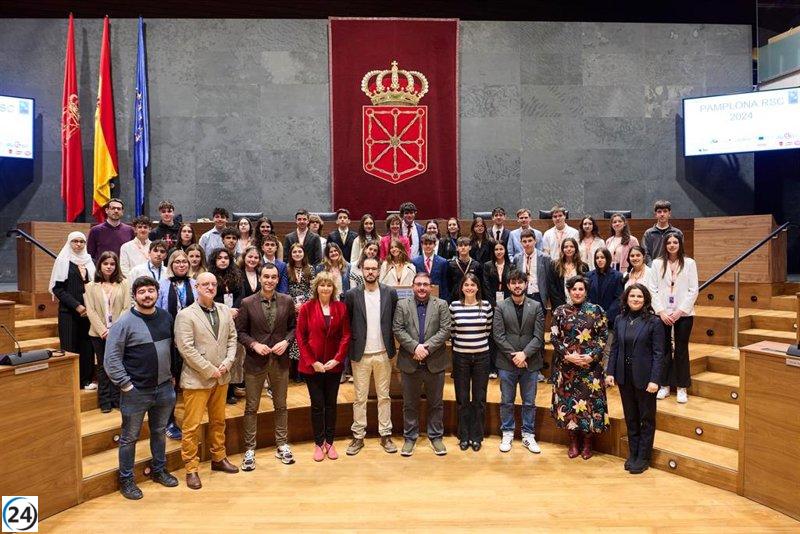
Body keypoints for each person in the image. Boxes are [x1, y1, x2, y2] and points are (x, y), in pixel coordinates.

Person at [103, 276, 179, 500]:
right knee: (129, 438)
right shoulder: (123, 322)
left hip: (164, 389)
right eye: (142, 291)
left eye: (151, 291)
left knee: (159, 432)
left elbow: (172, 350)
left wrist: (172, 376)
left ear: (157, 293)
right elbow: (111, 359)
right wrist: (126, 385)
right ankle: (126, 480)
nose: (147, 295)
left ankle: (159, 470)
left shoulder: (166, 317)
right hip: (135, 391)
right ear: (134, 296)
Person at [174, 272, 240, 489]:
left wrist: (228, 362)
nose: (210, 287)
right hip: (197, 379)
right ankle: (191, 468)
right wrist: (209, 369)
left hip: (221, 377)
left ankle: (218, 458)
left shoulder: (223, 310)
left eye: (213, 284)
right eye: (205, 284)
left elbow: (232, 339)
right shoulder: (186, 315)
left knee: (218, 421)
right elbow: (186, 348)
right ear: (196, 287)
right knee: (192, 426)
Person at [236, 262, 297, 469]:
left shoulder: (287, 301)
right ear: (260, 278)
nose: (269, 280)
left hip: (280, 360)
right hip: (255, 360)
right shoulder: (247, 302)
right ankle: (249, 449)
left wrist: (286, 341)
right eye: (266, 277)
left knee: (281, 405)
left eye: (273, 277)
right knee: (251, 406)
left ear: (277, 279)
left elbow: (293, 328)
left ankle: (282, 444)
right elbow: (240, 332)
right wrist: (253, 344)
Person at [605, 284, 665, 474]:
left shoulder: (654, 322)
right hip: (624, 377)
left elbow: (659, 353)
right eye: (633, 296)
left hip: (646, 379)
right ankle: (633, 454)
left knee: (646, 418)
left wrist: (655, 380)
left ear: (645, 299)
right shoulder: (620, 319)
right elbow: (614, 348)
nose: (636, 299)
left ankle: (643, 457)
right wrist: (610, 372)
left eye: (640, 296)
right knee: (631, 418)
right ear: (626, 298)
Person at [392, 272, 452, 457]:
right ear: (412, 286)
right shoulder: (402, 304)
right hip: (410, 362)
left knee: (436, 403)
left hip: (435, 361)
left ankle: (436, 437)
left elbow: (446, 330)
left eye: (425, 284)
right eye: (418, 284)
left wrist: (426, 348)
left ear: (431, 286)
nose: (422, 288)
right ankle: (410, 437)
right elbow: (398, 329)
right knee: (410, 404)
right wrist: (415, 348)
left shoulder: (441, 304)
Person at [343, 257, 399, 455]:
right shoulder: (351, 295)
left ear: (379, 271)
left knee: (384, 396)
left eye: (374, 269)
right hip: (361, 354)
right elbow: (347, 324)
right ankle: (358, 436)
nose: (370, 272)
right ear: (362, 270)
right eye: (367, 269)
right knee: (360, 398)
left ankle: (386, 434)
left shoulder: (390, 293)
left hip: (384, 353)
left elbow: (394, 321)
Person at [550, 276, 609, 460]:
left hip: (590, 368)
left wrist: (591, 356)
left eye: (581, 289)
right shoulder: (560, 311)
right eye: (574, 289)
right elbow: (554, 337)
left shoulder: (597, 311)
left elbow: (603, 336)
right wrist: (568, 355)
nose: (577, 292)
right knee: (569, 405)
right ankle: (573, 442)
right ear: (569, 291)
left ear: (586, 291)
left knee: (588, 406)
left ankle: (587, 444)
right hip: (567, 367)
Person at [296, 271, 352, 461]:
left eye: (329, 285)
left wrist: (337, 359)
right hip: (313, 367)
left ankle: (330, 441)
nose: (326, 288)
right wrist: (313, 362)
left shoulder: (341, 308)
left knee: (331, 405)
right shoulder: (306, 308)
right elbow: (300, 337)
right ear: (316, 287)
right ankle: (319, 443)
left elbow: (346, 336)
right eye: (322, 284)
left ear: (333, 288)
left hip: (333, 366)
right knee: (317, 405)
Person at [492, 270, 545, 453]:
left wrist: (525, 354)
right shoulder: (500, 306)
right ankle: (507, 431)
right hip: (507, 362)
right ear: (508, 285)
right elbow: (498, 336)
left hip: (530, 362)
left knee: (529, 401)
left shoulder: (537, 306)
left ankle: (528, 435)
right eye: (513, 282)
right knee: (507, 400)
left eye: (520, 282)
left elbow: (539, 337)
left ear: (526, 284)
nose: (517, 285)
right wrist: (515, 355)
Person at [649, 232, 698, 404]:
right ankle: (664, 385)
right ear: (665, 245)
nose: (671, 245)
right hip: (662, 313)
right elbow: (652, 289)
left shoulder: (690, 263)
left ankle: (682, 387)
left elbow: (694, 290)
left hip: (683, 314)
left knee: (681, 350)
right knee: (663, 350)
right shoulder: (656, 263)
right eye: (668, 242)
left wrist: (679, 311)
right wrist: (661, 311)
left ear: (680, 244)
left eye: (675, 242)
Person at [155, 250, 198, 440]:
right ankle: (168, 421)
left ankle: (191, 418)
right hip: (169, 339)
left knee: (189, 379)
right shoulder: (162, 285)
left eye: (184, 262)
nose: (181, 265)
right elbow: (157, 310)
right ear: (171, 265)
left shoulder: (194, 284)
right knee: (170, 381)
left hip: (190, 338)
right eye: (177, 262)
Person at [449, 273, 493, 451]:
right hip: (461, 358)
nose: (469, 288)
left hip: (482, 357)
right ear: (461, 287)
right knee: (462, 398)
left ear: (477, 288)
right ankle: (464, 435)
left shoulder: (487, 307)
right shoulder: (454, 307)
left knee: (479, 399)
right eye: (466, 285)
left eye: (472, 285)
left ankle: (477, 436)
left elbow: (487, 331)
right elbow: (453, 332)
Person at [84, 251, 131, 412]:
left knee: (117, 364)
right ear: (100, 266)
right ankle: (104, 400)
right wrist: (104, 331)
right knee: (103, 366)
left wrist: (115, 330)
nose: (109, 267)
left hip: (119, 333)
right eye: (106, 264)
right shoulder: (90, 286)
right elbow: (90, 311)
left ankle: (117, 398)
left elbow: (127, 308)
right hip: (98, 334)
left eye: (112, 264)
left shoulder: (124, 283)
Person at [50, 231, 96, 389]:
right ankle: (71, 383)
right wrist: (77, 305)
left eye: (82, 241)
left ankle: (86, 380)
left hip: (89, 312)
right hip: (69, 312)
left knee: (87, 346)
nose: (78, 244)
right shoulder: (63, 260)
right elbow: (58, 289)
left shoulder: (90, 261)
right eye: (75, 241)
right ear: (69, 243)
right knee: (70, 346)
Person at [208, 248, 243, 403]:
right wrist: (225, 310)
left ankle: (228, 390)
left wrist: (234, 310)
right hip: (216, 317)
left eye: (226, 258)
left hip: (234, 318)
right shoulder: (210, 276)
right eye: (219, 258)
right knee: (217, 353)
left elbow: (241, 294)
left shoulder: (236, 275)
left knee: (231, 354)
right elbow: (208, 296)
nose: (223, 260)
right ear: (214, 261)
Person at [287, 243, 313, 379]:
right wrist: (292, 303)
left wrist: (304, 304)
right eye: (294, 252)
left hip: (306, 308)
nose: (297, 254)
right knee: (294, 337)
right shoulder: (287, 269)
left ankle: (305, 371)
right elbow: (285, 288)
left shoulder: (311, 269)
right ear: (291, 254)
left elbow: (313, 288)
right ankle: (295, 373)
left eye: (300, 252)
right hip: (291, 307)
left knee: (305, 336)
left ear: (304, 253)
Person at [586, 248, 624, 338]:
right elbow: (586, 296)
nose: (599, 260)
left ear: (608, 258)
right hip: (592, 318)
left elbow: (618, 298)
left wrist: (605, 317)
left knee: (607, 349)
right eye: (597, 258)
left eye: (602, 257)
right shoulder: (588, 275)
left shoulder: (617, 276)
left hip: (609, 320)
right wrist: (592, 314)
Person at [547, 237, 589, 309]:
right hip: (559, 305)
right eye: (566, 247)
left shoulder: (583, 266)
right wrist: (561, 307)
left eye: (572, 246)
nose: (569, 249)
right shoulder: (554, 265)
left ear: (576, 249)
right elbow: (552, 287)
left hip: (579, 306)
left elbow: (585, 287)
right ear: (562, 249)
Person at [513, 229, 551, 308]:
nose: (527, 244)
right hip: (522, 295)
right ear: (521, 243)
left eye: (530, 241)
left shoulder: (545, 258)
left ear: (535, 241)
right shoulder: (517, 258)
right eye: (524, 241)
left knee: (539, 320)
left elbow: (548, 280)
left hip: (538, 295)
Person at [642, 199, 684, 265]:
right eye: (659, 212)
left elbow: (680, 252)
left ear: (669, 214)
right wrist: (652, 267)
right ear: (655, 214)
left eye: (665, 211)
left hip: (672, 267)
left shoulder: (677, 233)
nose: (662, 214)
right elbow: (646, 253)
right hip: (654, 268)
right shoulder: (648, 233)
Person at [411, 233, 449, 299]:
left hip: (438, 298)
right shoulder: (415, 262)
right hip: (420, 296)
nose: (428, 246)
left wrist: (444, 300)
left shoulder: (443, 262)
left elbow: (444, 284)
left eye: (430, 244)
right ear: (422, 245)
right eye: (425, 244)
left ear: (435, 245)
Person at [446, 237, 482, 303]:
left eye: (465, 245)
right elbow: (449, 284)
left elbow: (479, 284)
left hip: (472, 297)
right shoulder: (451, 265)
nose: (463, 248)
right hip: (455, 298)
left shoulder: (476, 265)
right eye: (460, 245)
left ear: (470, 247)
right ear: (457, 248)